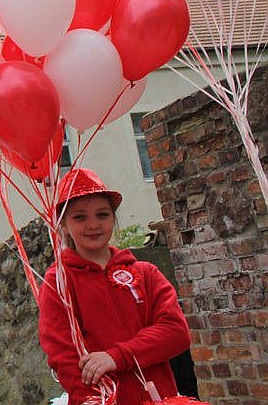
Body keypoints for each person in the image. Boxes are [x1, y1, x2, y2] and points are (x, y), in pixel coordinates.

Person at [38, 168, 191, 404]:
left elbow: (176, 332)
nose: (93, 225)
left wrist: (117, 356)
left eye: (102, 214)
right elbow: (62, 354)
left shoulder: (146, 273)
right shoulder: (58, 281)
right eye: (79, 217)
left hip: (161, 398)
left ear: (113, 218)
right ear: (64, 225)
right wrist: (91, 400)